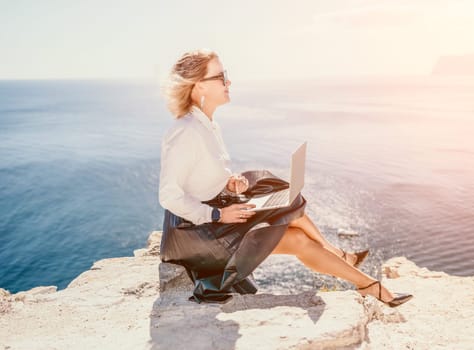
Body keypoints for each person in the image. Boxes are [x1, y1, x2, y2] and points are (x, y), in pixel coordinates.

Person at [158, 49, 412, 307]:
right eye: (222, 76)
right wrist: (217, 215)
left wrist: (229, 182)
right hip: (195, 236)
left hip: (212, 219)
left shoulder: (209, 125)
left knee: (294, 219)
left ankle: (367, 284)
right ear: (200, 84)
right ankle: (354, 269)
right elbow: (169, 195)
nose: (229, 82)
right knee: (289, 207)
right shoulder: (184, 132)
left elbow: (202, 175)